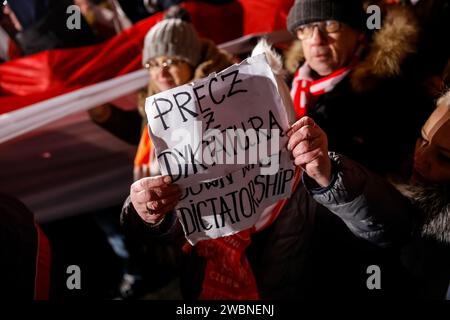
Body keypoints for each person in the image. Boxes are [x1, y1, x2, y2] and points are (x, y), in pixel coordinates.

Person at [121, 40, 411, 300]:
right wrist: (145, 215)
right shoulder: (189, 190)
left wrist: (332, 179)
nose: (234, 141)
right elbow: (154, 256)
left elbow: (388, 231)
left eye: (249, 129)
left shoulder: (312, 190)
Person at [117, 5, 234, 299]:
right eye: (153, 64)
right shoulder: (154, 105)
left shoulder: (222, 94)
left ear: (192, 60)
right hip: (186, 240)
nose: (161, 71)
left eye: (170, 60)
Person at [291, 89, 450, 299]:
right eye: (423, 139)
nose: (420, 156)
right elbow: (391, 218)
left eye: (444, 157)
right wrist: (327, 174)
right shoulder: (398, 172)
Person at [285, 0, 433, 175]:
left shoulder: (393, 94)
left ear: (357, 32)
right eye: (306, 28)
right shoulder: (286, 84)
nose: (316, 39)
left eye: (331, 24)